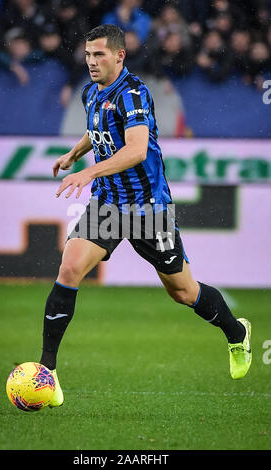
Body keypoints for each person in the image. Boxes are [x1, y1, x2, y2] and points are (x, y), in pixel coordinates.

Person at [38, 24, 252, 407]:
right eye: (88, 55)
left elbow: (136, 149)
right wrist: (75, 153)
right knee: (69, 269)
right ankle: (47, 373)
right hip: (107, 204)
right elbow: (98, 128)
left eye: (99, 54)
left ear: (120, 55)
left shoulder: (134, 93)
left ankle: (237, 334)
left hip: (147, 208)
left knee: (183, 292)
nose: (91, 62)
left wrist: (87, 172)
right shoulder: (91, 92)